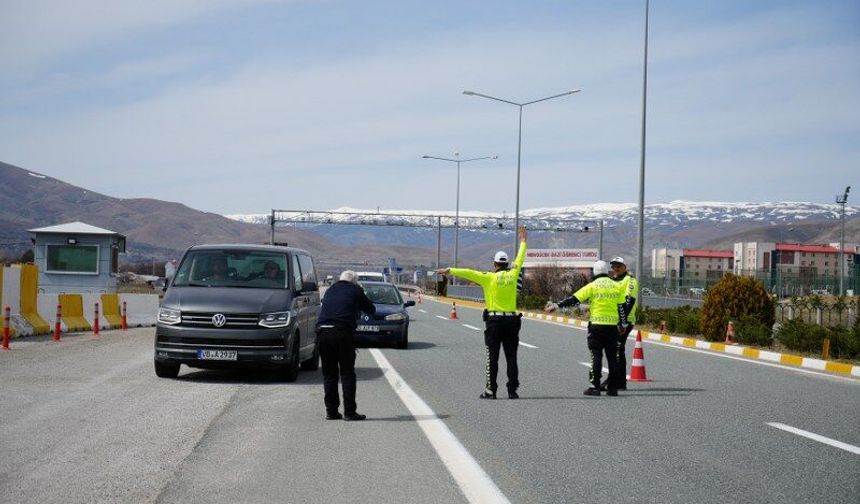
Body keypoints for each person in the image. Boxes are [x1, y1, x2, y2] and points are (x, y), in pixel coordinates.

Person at [435, 226, 527, 399]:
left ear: (494, 264)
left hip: (494, 322)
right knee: (511, 357)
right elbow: (520, 258)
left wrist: (449, 270)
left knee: (492, 357)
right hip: (511, 322)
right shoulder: (514, 274)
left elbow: (469, 273)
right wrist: (523, 241)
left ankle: (490, 390)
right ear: (507, 264)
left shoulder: (488, 277)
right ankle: (512, 390)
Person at [545, 260, 628, 396]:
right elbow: (622, 308)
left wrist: (556, 306)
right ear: (607, 271)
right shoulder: (616, 286)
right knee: (612, 357)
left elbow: (574, 299)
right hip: (612, 328)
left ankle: (594, 387)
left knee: (596, 356)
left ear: (595, 272)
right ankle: (612, 388)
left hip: (596, 326)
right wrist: (622, 325)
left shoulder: (592, 286)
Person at [316, 270, 376, 421]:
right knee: (347, 373)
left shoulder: (330, 289)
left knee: (329, 374)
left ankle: (331, 411)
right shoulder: (355, 290)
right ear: (354, 281)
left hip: (323, 332)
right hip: (342, 332)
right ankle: (349, 412)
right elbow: (371, 309)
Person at [606, 256, 638, 391]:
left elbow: (629, 302)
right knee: (617, 350)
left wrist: (622, 322)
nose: (616, 268)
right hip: (614, 321)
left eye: (619, 266)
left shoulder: (630, 281)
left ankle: (616, 381)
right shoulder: (613, 281)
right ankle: (619, 381)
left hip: (625, 321)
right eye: (613, 266)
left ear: (625, 267)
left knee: (617, 350)